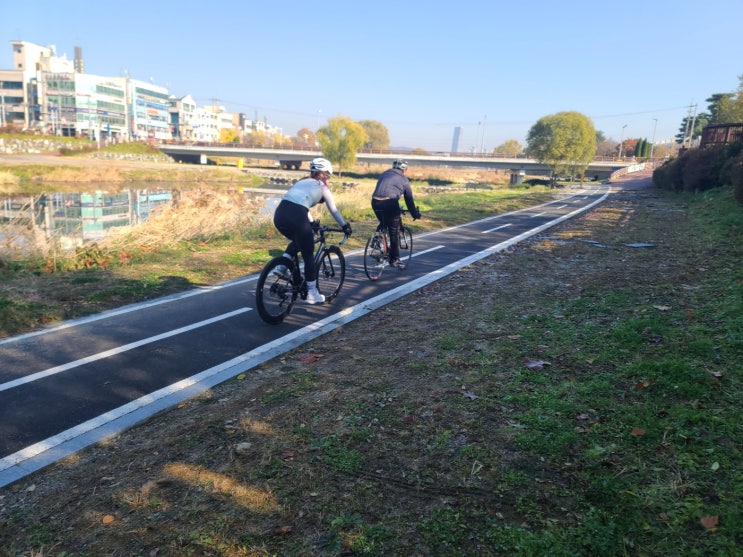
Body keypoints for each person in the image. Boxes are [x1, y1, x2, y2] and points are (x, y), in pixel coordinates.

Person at [273, 157, 352, 304]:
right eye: (328, 175)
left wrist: (311, 223)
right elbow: (334, 210)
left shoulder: (301, 182)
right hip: (297, 215)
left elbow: (301, 205)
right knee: (308, 255)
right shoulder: (323, 187)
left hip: (279, 215)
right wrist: (344, 226)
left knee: (299, 240)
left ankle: (283, 266)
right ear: (323, 174)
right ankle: (311, 293)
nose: (328, 179)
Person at [371, 159, 421, 268]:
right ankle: (395, 260)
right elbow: (409, 200)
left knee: (384, 222)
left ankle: (377, 241)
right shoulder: (404, 179)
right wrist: (415, 214)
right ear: (404, 169)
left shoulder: (384, 174)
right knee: (394, 231)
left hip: (375, 202)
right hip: (390, 202)